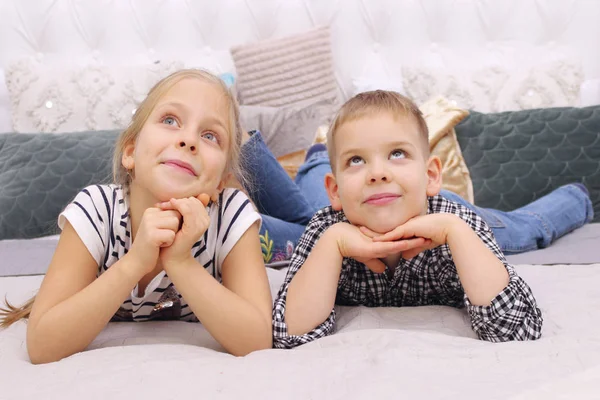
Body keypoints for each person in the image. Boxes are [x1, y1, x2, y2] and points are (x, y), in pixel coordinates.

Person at [267, 90, 591, 348]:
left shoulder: (457, 223)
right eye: (356, 159)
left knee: (525, 229)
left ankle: (576, 195)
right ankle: (318, 159)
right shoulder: (326, 229)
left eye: (397, 153)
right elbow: (289, 334)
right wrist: (331, 245)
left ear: (432, 174)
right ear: (335, 191)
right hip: (370, 204)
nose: (377, 173)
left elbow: (518, 328)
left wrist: (457, 232)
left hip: (434, 210)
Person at [0, 69, 273, 363]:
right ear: (130, 151)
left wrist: (180, 262)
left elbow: (257, 340)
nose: (188, 140)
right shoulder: (96, 209)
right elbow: (42, 346)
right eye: (170, 120)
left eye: (210, 136)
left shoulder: (232, 215)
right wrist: (135, 261)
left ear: (220, 182)